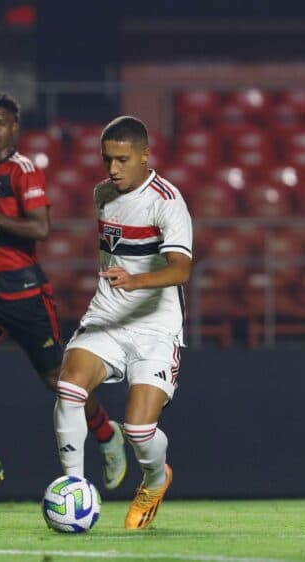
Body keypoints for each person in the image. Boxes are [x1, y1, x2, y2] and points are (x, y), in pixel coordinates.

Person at [0, 91, 126, 500]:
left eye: (1, 123)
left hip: (24, 291)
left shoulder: (24, 171)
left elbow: (39, 228)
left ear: (14, 127)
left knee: (58, 382)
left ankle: (107, 434)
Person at [54, 116, 192, 530]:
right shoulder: (103, 194)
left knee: (138, 429)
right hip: (107, 318)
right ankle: (73, 487)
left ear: (146, 156)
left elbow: (181, 269)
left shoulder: (167, 201)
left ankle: (154, 478)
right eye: (107, 159)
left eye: (123, 159)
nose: (112, 169)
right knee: (68, 385)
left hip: (156, 327)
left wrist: (136, 280)